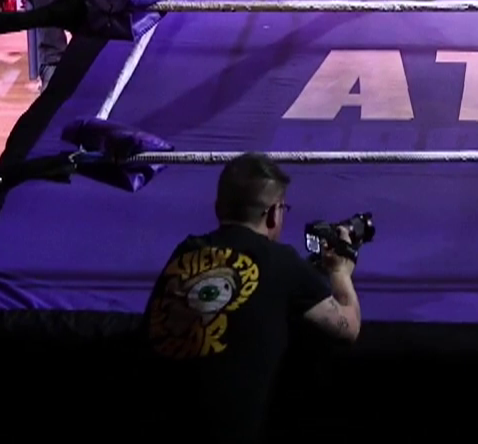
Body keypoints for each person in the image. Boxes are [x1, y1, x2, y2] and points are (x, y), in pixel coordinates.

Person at [142, 152, 362, 440]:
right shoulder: (281, 261)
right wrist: (340, 272)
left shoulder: (186, 251)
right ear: (273, 214)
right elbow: (349, 327)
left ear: (218, 208)